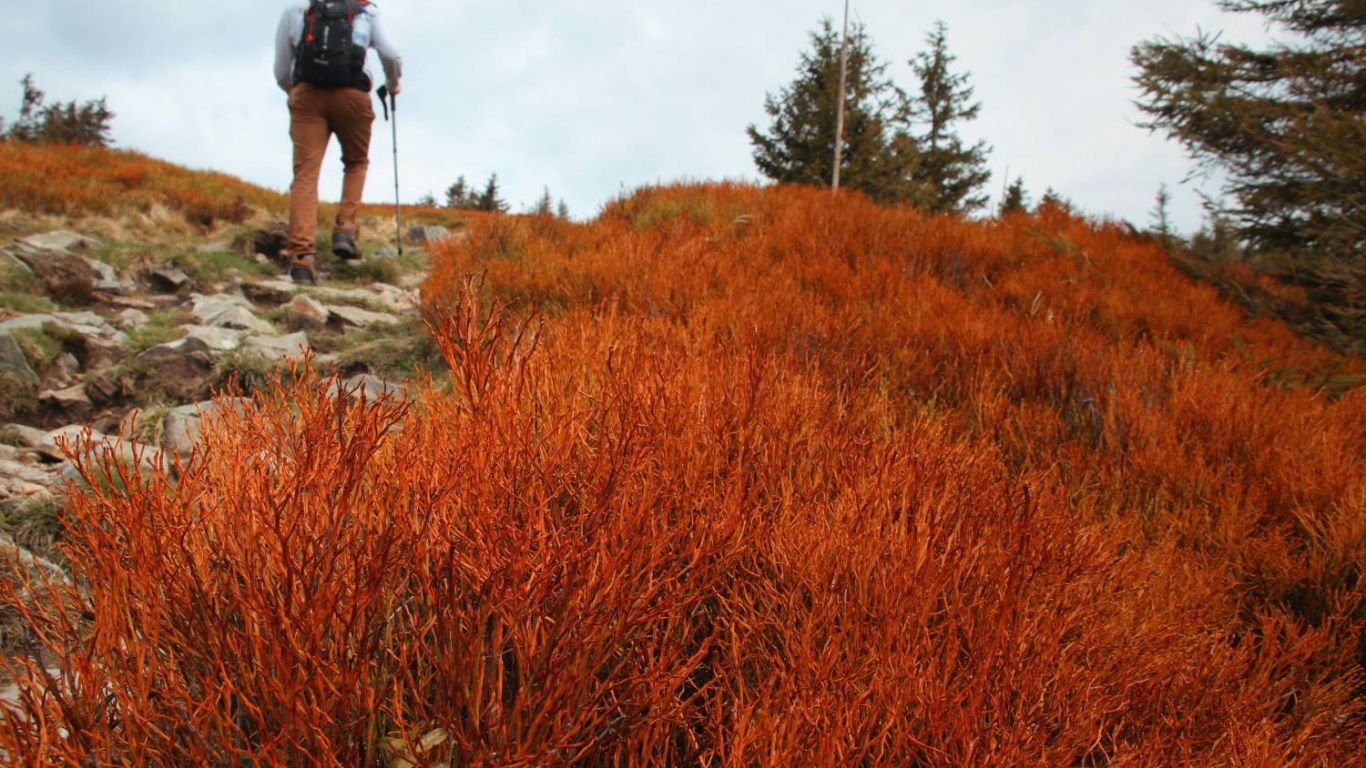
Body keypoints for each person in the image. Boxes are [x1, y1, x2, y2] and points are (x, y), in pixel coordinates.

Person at [274, 0, 402, 284]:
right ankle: (345, 228)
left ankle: (301, 259)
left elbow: (282, 69)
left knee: (306, 173)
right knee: (356, 162)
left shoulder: (297, 9)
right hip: (353, 95)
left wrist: (296, 92)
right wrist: (393, 84)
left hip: (307, 95)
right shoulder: (365, 10)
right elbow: (391, 54)